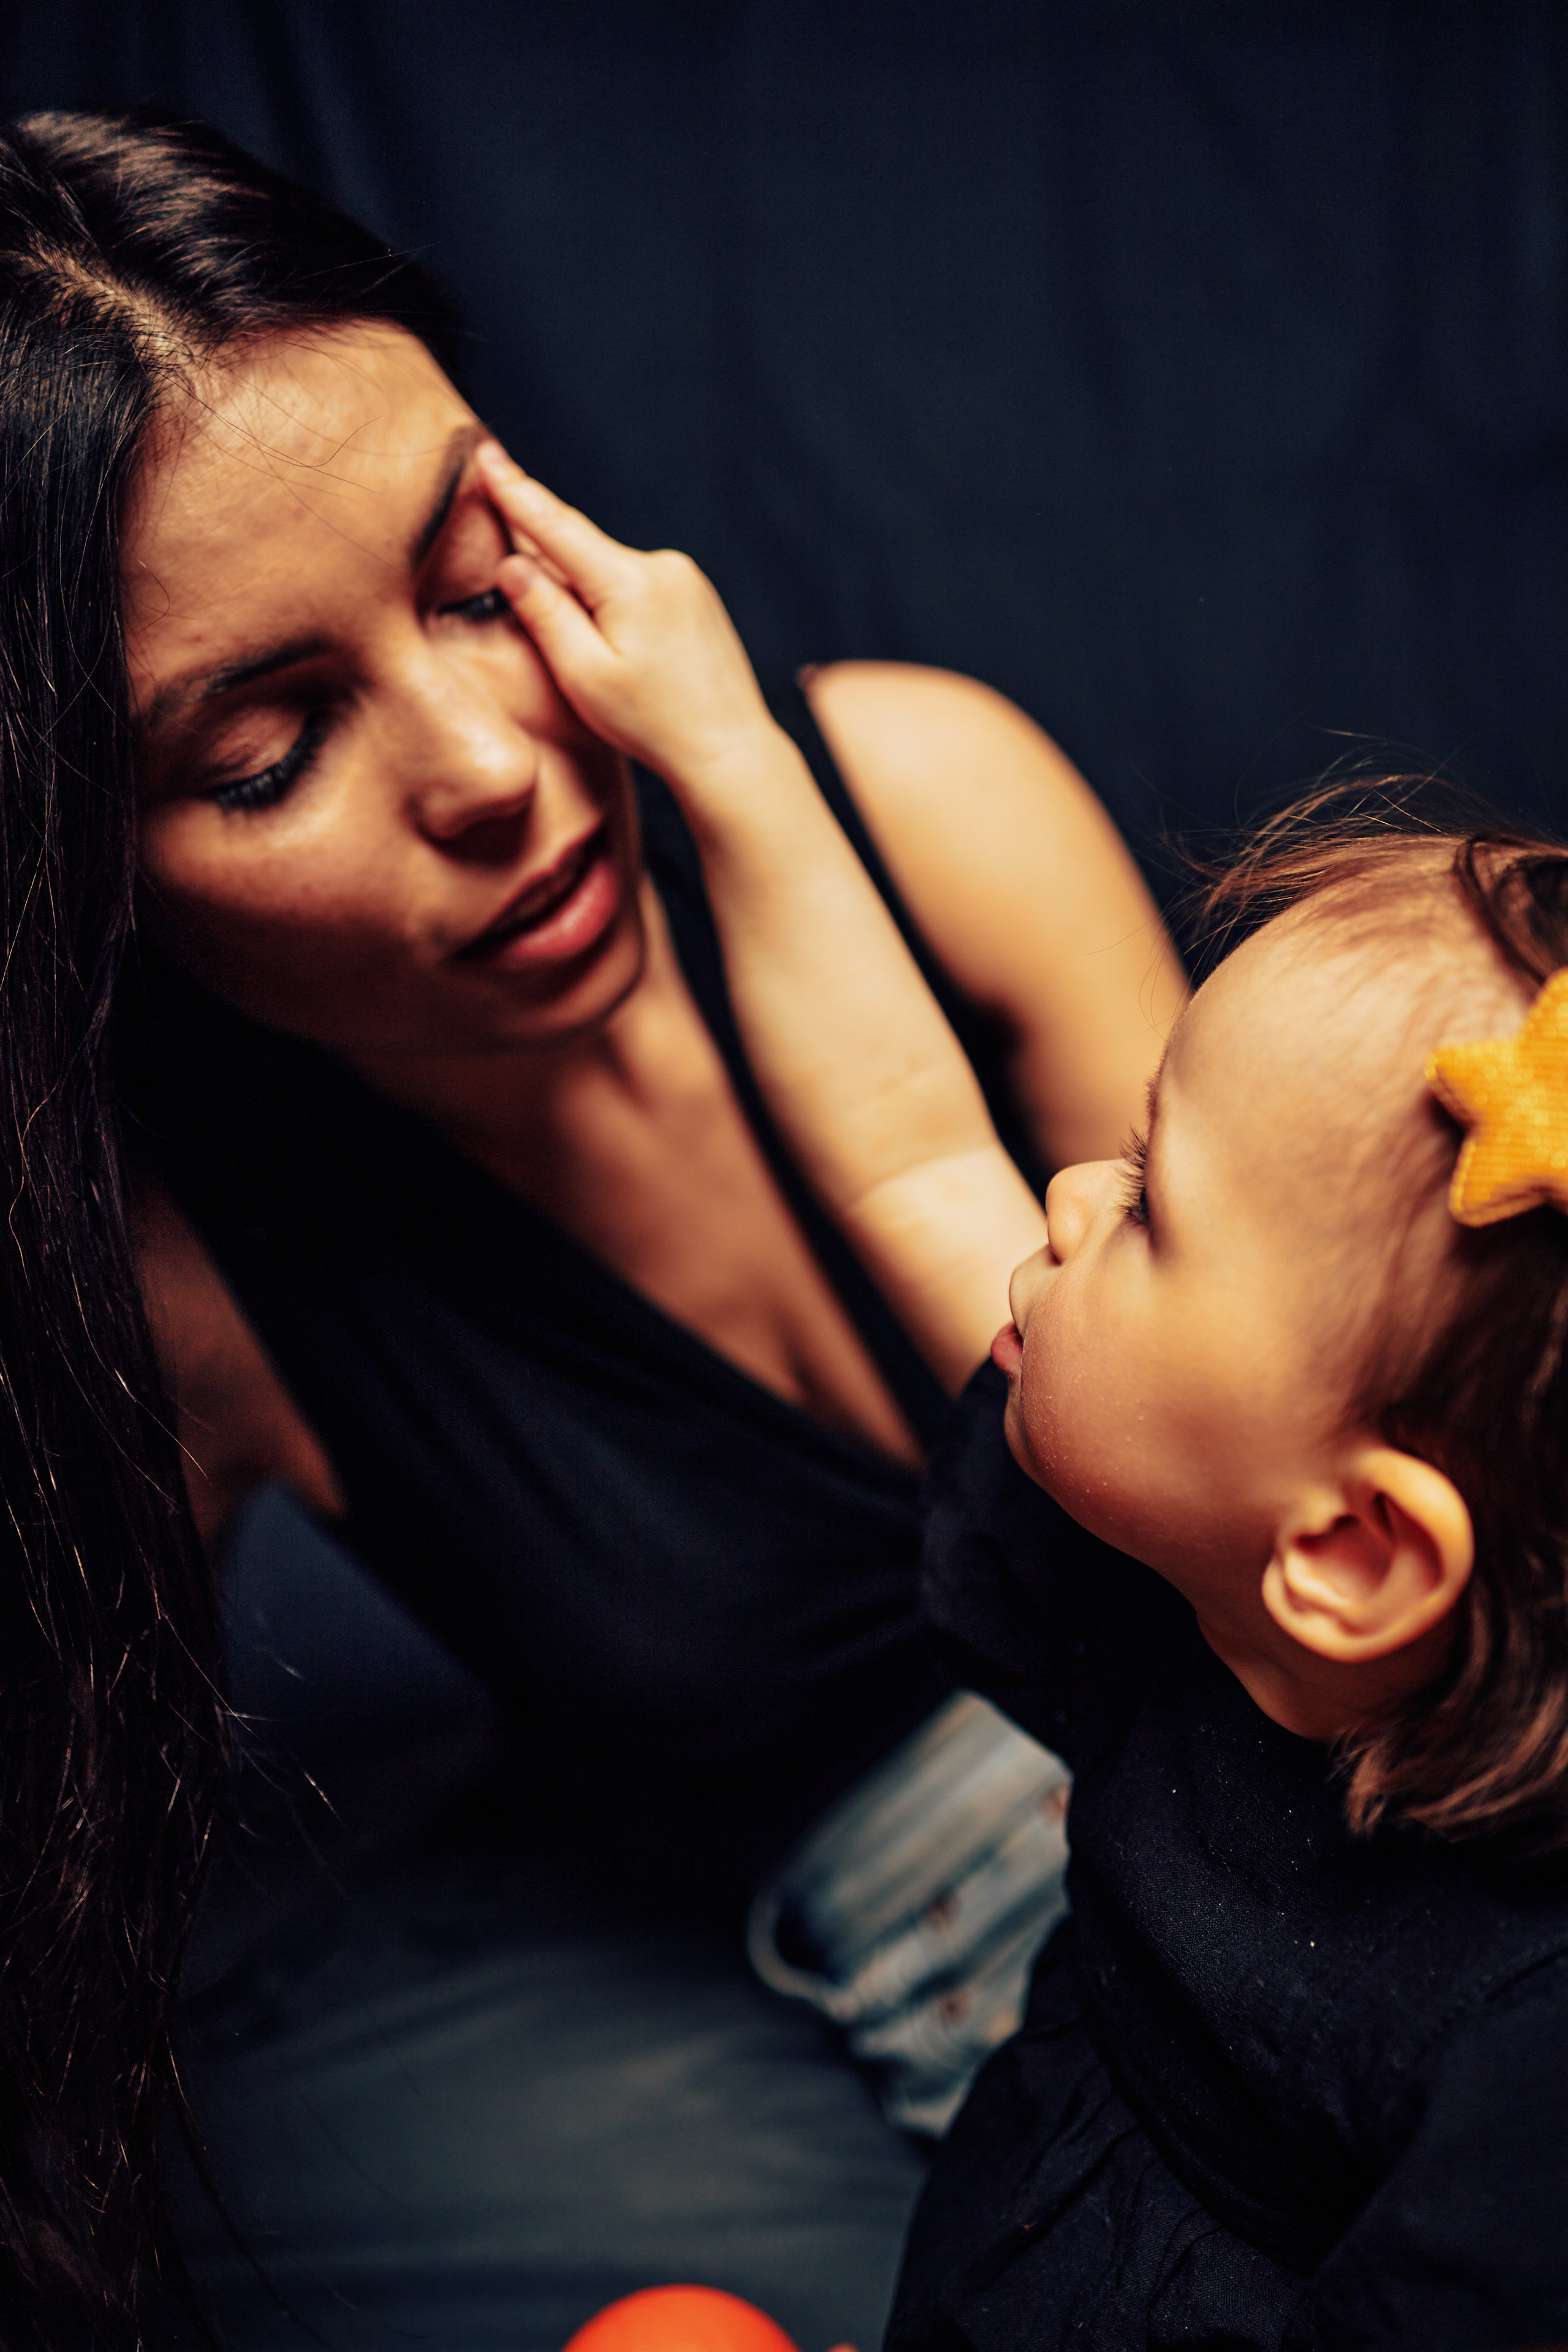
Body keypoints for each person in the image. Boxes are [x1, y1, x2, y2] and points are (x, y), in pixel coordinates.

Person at [0, 108, 1183, 2348]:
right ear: (79, 870)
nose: (494, 766)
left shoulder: (924, 798)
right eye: (266, 757)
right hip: (1029, 2067)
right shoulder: (184, 1292)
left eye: (481, 578)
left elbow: (1332, 1420)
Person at [488, 470, 1568, 2348]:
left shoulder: (1518, 2081)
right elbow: (911, 1151)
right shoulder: (1187, 1610)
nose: (1065, 1192)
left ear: (1351, 1548)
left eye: (1148, 1206)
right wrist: (730, 762)